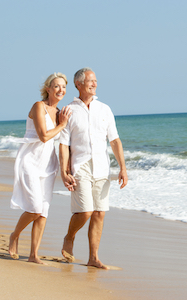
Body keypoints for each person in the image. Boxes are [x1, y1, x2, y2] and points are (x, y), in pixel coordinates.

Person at [59, 67, 128, 269]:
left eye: (96, 80)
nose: (94, 84)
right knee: (86, 211)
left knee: (99, 213)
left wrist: (123, 167)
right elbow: (63, 145)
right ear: (78, 84)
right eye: (90, 81)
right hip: (80, 166)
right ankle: (69, 237)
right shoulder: (68, 110)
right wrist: (64, 171)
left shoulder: (105, 109)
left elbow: (114, 140)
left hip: (102, 167)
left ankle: (93, 258)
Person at [8, 72, 71, 264]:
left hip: (48, 165)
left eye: (63, 87)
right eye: (57, 86)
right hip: (30, 163)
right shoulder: (38, 106)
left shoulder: (60, 111)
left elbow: (64, 143)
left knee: (43, 212)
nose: (61, 90)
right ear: (48, 89)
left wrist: (67, 169)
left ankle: (33, 254)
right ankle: (14, 235)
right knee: (34, 208)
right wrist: (63, 124)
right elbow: (43, 136)